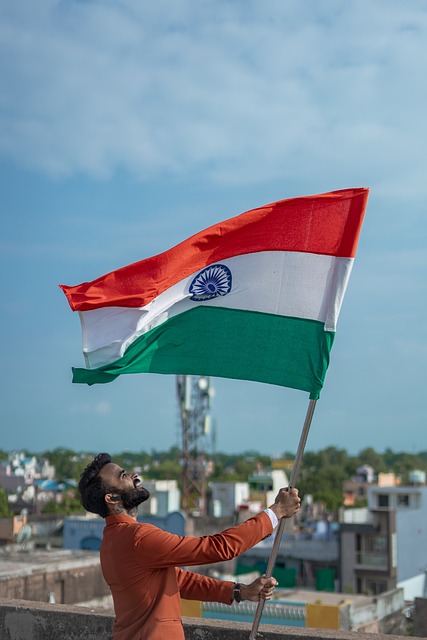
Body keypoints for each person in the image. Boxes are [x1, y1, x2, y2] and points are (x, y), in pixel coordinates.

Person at [78, 453, 301, 640]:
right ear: (112, 498)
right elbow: (217, 548)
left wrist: (239, 592)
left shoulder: (112, 540)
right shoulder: (137, 537)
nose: (134, 476)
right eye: (123, 476)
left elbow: (178, 580)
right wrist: (276, 512)